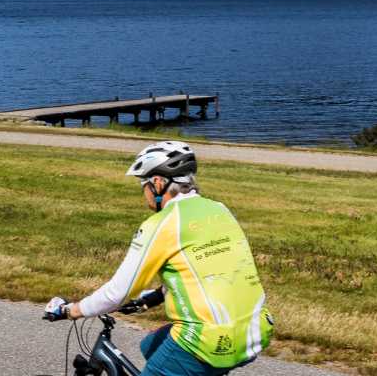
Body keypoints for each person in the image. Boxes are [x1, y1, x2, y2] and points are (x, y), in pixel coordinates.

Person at [44, 141, 274, 376]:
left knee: (174, 357)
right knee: (150, 347)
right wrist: (154, 298)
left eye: (143, 185)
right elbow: (205, 270)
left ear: (157, 183)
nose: (143, 193)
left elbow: (117, 293)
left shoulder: (163, 223)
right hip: (254, 329)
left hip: (207, 341)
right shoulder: (219, 209)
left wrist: (70, 310)